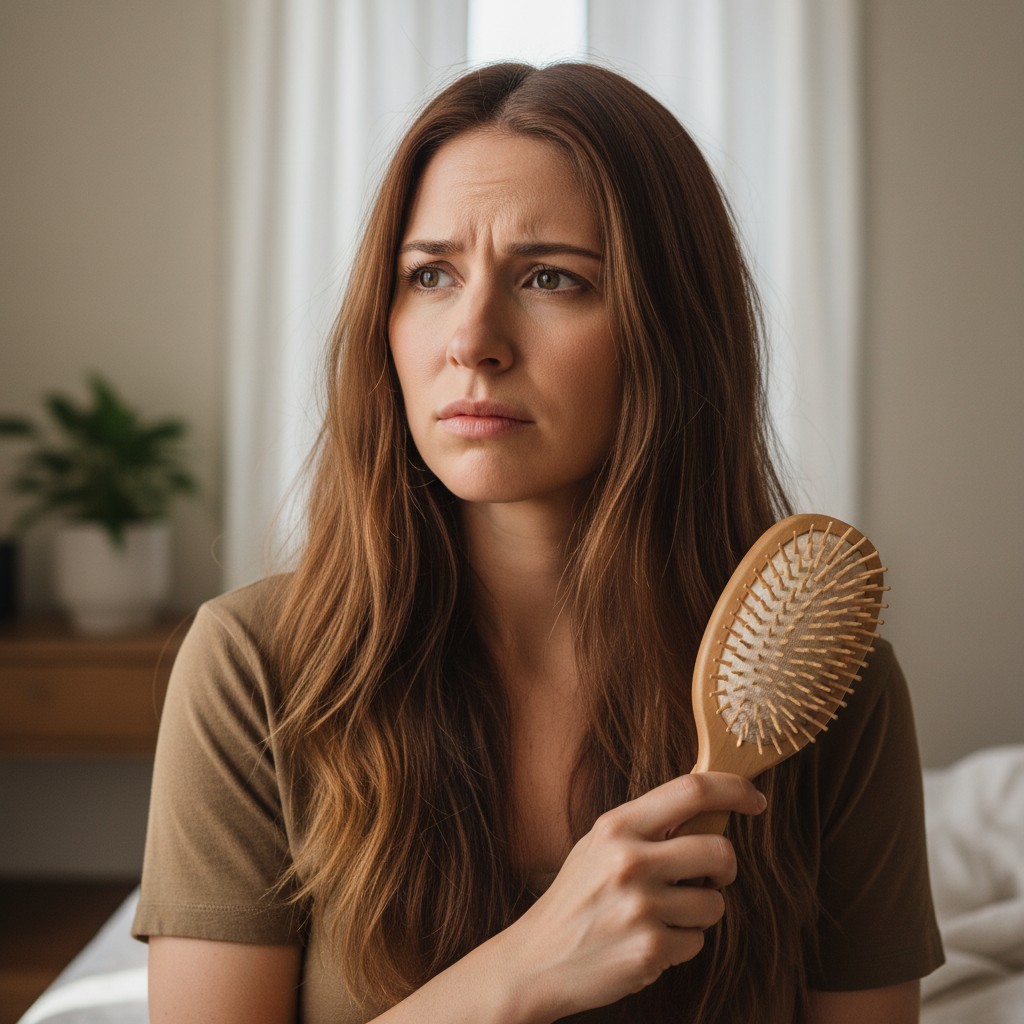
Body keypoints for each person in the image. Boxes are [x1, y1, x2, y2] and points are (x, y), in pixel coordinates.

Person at [134, 62, 943, 1023]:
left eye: (552, 278)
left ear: (671, 326)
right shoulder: (258, 668)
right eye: (430, 275)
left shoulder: (823, 694)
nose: (472, 339)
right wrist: (523, 970)